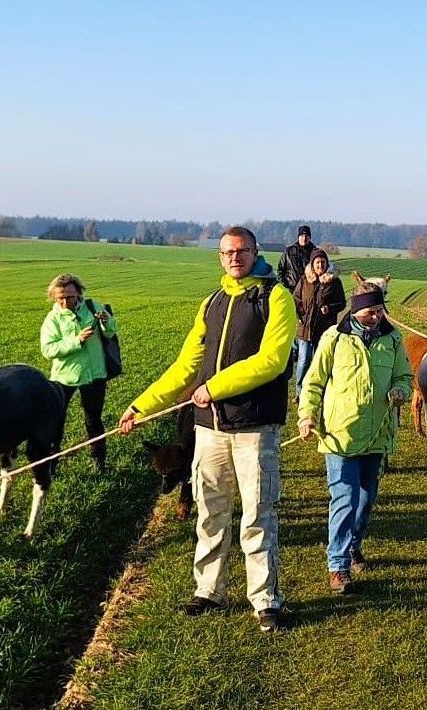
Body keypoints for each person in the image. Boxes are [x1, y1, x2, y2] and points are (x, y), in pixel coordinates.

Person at [119, 226, 297, 632]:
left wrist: (213, 388)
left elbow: (272, 360)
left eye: (242, 251)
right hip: (209, 430)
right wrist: (140, 406)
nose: (234, 258)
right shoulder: (211, 302)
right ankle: (208, 589)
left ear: (255, 252)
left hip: (255, 423)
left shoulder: (275, 297)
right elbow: (185, 366)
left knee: (257, 513)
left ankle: (265, 600)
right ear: (220, 257)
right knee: (210, 511)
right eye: (226, 252)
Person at [297, 281, 411, 594]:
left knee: (365, 500)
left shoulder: (393, 339)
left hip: (376, 435)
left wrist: (402, 390)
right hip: (340, 435)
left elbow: (404, 375)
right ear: (355, 308)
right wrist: (306, 415)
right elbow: (313, 382)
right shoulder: (333, 338)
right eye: (369, 311)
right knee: (345, 498)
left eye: (379, 311)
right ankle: (338, 565)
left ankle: (352, 546)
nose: (375, 316)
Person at [40, 273, 118, 475]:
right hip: (64, 378)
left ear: (79, 294)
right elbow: (48, 349)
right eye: (61, 298)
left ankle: (99, 462)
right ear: (54, 297)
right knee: (56, 423)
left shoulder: (93, 307)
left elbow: (110, 332)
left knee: (94, 420)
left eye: (71, 296)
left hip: (94, 375)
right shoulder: (53, 319)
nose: (66, 302)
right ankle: (52, 466)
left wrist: (106, 321)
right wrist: (77, 341)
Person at [292, 248, 345, 390]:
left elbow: (342, 303)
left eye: (323, 262)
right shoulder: (305, 280)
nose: (320, 265)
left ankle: (317, 390)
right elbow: (296, 298)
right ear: (312, 264)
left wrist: (329, 308)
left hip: (324, 329)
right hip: (305, 328)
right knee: (303, 361)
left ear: (327, 263)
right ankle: (299, 392)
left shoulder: (334, 282)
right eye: (317, 262)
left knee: (320, 362)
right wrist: (300, 315)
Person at [277, 224, 318, 292]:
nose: (304, 238)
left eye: (306, 236)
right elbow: (280, 270)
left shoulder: (315, 253)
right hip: (291, 290)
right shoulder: (289, 251)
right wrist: (285, 286)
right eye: (302, 236)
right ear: (298, 237)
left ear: (310, 238)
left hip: (309, 290)